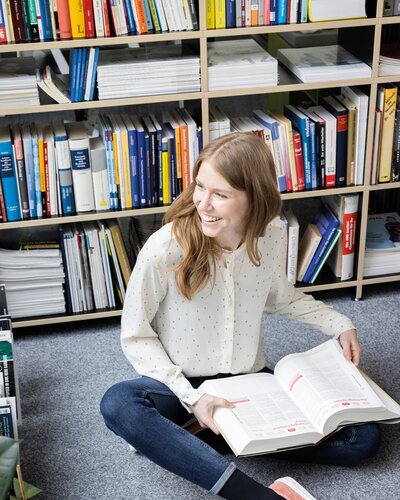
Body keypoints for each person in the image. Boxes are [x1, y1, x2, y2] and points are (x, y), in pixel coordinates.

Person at [100, 132, 381, 499]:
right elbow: (135, 335)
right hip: (183, 384)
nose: (203, 203)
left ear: (253, 198)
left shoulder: (272, 234)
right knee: (118, 404)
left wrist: (340, 323)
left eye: (221, 194)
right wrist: (191, 397)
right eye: (200, 187)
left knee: (364, 437)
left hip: (250, 380)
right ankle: (256, 493)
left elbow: (279, 297)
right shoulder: (165, 247)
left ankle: (191, 441)